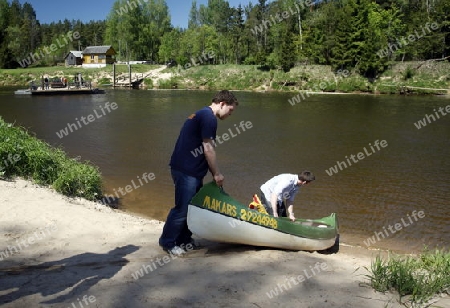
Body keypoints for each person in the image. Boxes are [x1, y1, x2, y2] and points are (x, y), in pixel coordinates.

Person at [159, 90, 239, 256]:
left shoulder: (201, 114)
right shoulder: (209, 118)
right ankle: (167, 242)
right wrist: (217, 173)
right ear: (222, 103)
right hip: (186, 170)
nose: (230, 114)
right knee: (182, 208)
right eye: (230, 110)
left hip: (187, 169)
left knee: (193, 207)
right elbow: (208, 148)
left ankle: (184, 240)